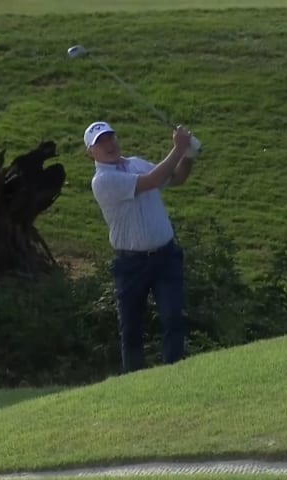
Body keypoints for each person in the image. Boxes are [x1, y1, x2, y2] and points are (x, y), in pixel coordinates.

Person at [85, 121, 196, 373]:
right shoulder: (102, 180)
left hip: (165, 256)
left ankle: (174, 375)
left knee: (174, 318)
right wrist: (178, 148)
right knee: (132, 329)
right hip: (131, 263)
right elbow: (151, 180)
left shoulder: (136, 162)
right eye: (100, 143)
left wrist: (189, 154)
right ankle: (133, 382)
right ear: (90, 152)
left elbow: (176, 179)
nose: (108, 145)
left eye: (110, 138)